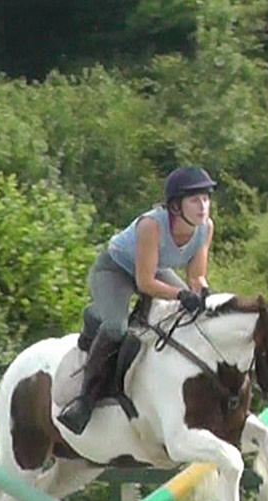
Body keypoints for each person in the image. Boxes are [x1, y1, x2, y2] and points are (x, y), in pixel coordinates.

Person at [57, 165, 217, 434]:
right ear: (176, 206)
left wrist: (205, 296)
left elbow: (196, 277)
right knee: (116, 328)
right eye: (194, 200)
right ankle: (84, 401)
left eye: (206, 199)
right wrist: (180, 295)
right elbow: (145, 283)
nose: (203, 206)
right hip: (115, 270)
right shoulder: (151, 225)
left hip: (153, 270)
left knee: (188, 315)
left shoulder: (205, 228)